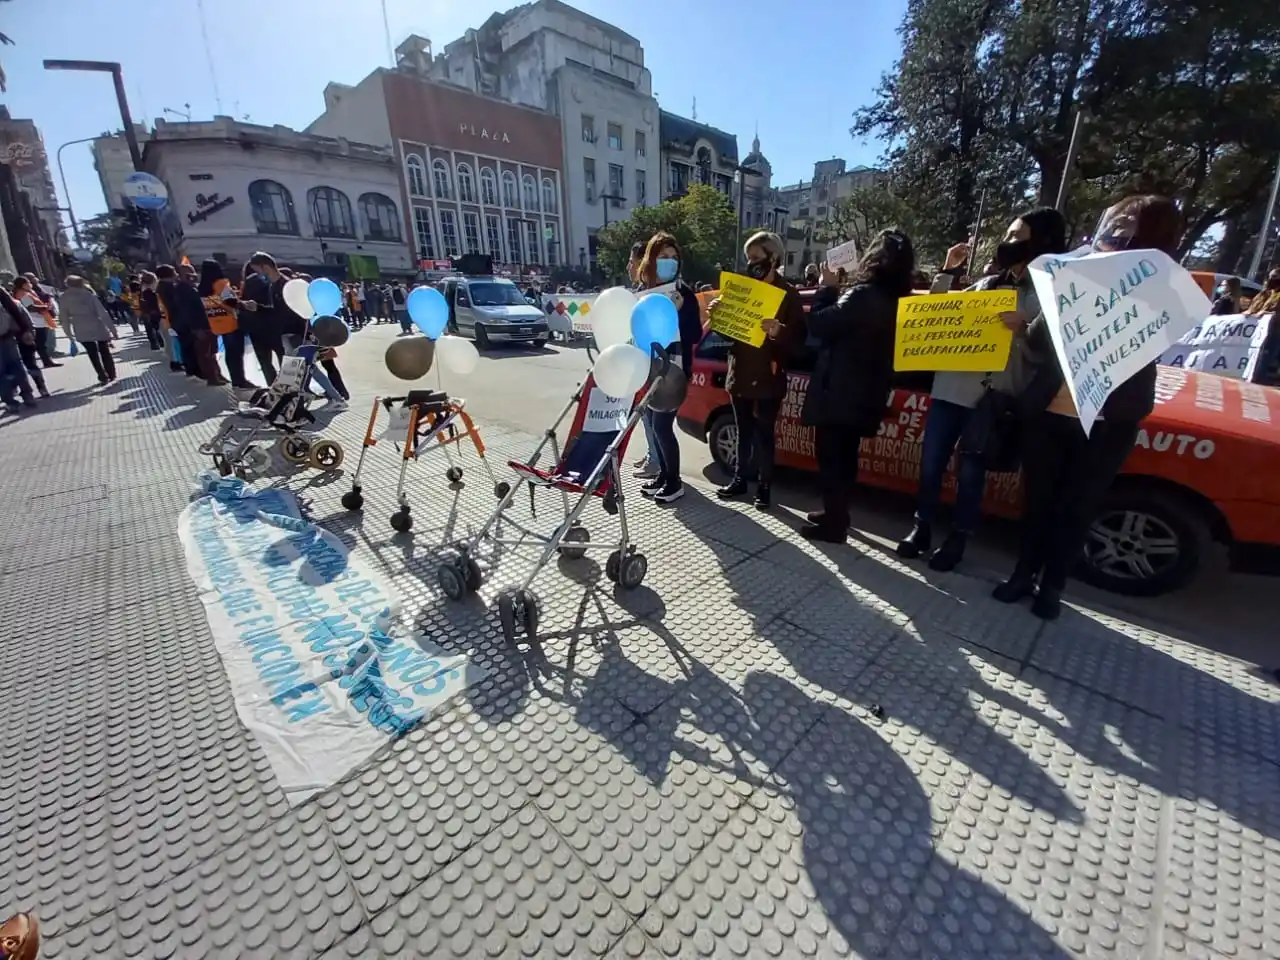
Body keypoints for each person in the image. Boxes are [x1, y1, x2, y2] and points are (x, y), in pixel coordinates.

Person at [993, 195, 1182, 620]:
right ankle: (1023, 575)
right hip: (1050, 413)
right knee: (1038, 502)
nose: (1115, 233)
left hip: (1107, 423)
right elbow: (1040, 342)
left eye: (1127, 226)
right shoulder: (1076, 275)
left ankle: (1052, 588)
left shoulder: (1165, 292)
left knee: (1077, 508)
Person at [896, 208, 1068, 571]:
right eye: (1007, 235)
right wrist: (948, 269)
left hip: (990, 400)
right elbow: (936, 312)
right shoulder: (989, 284)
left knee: (971, 475)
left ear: (1042, 242)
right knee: (930, 467)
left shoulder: (1050, 295)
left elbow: (1051, 355)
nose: (1007, 243)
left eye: (1016, 236)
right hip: (950, 389)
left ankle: (959, 538)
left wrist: (1026, 329)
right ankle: (921, 527)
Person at [801, 229, 914, 542]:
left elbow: (822, 323)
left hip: (839, 393)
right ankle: (836, 513)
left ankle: (834, 525)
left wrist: (826, 288)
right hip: (865, 395)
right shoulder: (898, 299)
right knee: (846, 460)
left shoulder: (864, 294)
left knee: (832, 461)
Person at [710, 230, 806, 509]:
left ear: (773, 257)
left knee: (765, 432)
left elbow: (801, 341)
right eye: (748, 258)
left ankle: (764, 487)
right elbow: (725, 333)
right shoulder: (740, 288)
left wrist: (779, 330)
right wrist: (719, 313)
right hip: (740, 371)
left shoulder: (788, 294)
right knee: (743, 430)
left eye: (756, 257)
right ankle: (740, 479)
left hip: (769, 374)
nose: (751, 263)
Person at [636, 232, 703, 504]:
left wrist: (677, 311)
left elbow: (695, 334)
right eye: (663, 257)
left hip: (673, 372)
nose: (670, 262)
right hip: (650, 369)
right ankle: (664, 475)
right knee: (653, 423)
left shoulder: (683, 293)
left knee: (663, 425)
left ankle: (674, 482)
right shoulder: (644, 292)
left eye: (674, 258)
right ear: (652, 260)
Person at [197, 259, 254, 389]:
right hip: (231, 323)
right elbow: (230, 301)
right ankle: (239, 380)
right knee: (236, 354)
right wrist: (244, 304)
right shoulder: (221, 284)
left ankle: (236, 379)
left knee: (229, 354)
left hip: (216, 325)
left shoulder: (202, 289)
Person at [175, 261, 226, 386]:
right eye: (189, 272)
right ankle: (212, 378)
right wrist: (196, 328)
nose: (192, 274)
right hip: (199, 325)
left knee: (212, 352)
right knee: (205, 353)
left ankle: (217, 374)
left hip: (207, 323)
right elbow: (187, 310)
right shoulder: (183, 289)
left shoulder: (193, 287)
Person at [59, 276, 118, 384]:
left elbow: (64, 318)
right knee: (104, 349)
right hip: (96, 323)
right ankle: (111, 373)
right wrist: (112, 329)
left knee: (92, 352)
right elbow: (102, 313)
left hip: (80, 326)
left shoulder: (64, 297)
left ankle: (102, 375)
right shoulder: (89, 295)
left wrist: (69, 335)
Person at [0, 287, 38, 411]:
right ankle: (28, 395)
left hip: (7, 337)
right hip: (7, 336)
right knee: (16, 365)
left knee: (1, 372)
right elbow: (14, 309)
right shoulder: (1, 292)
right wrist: (24, 330)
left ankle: (10, 402)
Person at [12, 277, 59, 367]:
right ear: (23, 284)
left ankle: (47, 361)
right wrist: (44, 307)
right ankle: (47, 361)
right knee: (40, 343)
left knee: (41, 343)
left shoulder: (27, 292)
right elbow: (30, 307)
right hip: (36, 321)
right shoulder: (22, 294)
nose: (30, 284)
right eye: (28, 283)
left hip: (39, 320)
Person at [137, 271, 166, 353]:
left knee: (153, 330)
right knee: (159, 331)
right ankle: (161, 345)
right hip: (156, 315)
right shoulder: (150, 293)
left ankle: (156, 345)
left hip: (149, 314)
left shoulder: (143, 292)